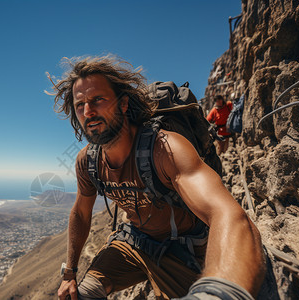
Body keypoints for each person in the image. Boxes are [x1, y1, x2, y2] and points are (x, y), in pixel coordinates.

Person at [51, 55, 265, 300]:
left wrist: (219, 292)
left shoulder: (165, 149)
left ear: (123, 104)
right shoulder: (87, 161)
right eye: (80, 105)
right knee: (80, 295)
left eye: (98, 100)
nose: (88, 111)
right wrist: (69, 273)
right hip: (135, 241)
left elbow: (225, 213)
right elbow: (80, 212)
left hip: (181, 250)